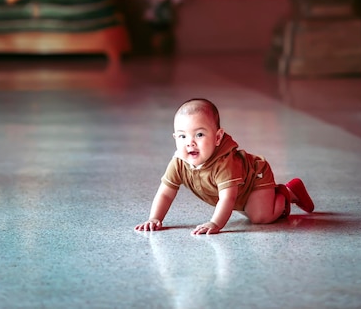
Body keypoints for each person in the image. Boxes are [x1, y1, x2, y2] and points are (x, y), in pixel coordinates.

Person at [134, 98, 314, 235]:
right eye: (182, 136)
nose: (190, 143)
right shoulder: (179, 162)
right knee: (248, 209)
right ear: (175, 138)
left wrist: (215, 223)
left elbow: (227, 198)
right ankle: (266, 199)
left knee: (261, 217)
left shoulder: (224, 163)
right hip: (240, 192)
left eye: (199, 134)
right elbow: (165, 192)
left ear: (218, 137)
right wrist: (155, 218)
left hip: (254, 179)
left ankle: (288, 193)